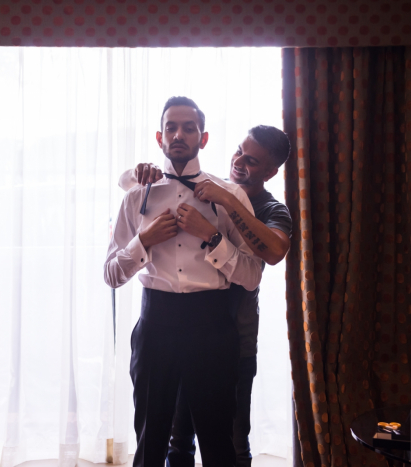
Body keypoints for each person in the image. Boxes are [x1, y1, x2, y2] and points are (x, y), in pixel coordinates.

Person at [119, 125, 292, 467]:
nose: (239, 161)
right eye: (239, 151)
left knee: (229, 441)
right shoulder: (206, 186)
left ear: (271, 172)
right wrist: (137, 171)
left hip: (233, 337)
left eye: (252, 161)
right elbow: (137, 185)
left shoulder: (272, 210)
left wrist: (228, 200)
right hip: (180, 331)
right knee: (175, 436)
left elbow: (273, 252)